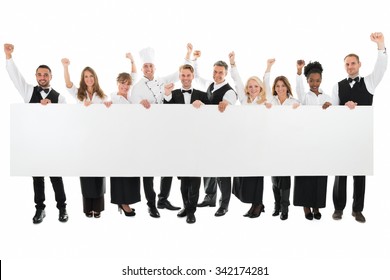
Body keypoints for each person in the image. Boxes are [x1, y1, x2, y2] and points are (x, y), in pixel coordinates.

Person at [5, 43, 69, 224]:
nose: (42, 77)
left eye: (45, 74)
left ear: (51, 77)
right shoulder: (28, 92)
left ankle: (62, 208)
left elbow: (66, 122)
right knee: (38, 178)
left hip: (53, 145)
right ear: (36, 76)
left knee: (56, 177)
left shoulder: (60, 98)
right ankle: (40, 209)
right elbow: (15, 76)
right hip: (34, 144)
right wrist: (8, 56)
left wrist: (53, 109)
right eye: (39, 74)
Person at [130, 45, 192, 217]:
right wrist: (139, 104)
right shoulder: (137, 88)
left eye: (151, 66)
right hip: (148, 133)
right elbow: (131, 110)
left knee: (168, 164)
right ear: (142, 69)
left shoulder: (161, 80)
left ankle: (163, 199)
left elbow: (178, 73)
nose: (148, 69)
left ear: (155, 68)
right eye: (145, 66)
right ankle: (151, 204)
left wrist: (187, 55)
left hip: (165, 131)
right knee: (148, 170)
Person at [331, 32, 387, 223]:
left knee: (359, 172)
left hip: (362, 137)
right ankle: (338, 208)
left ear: (359, 65)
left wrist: (381, 45)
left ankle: (358, 210)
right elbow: (333, 112)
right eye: (347, 64)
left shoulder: (369, 83)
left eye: (353, 63)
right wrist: (343, 109)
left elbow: (381, 67)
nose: (350, 66)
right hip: (342, 136)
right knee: (340, 172)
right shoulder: (337, 86)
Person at [61, 57, 110, 218]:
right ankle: (88, 209)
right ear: (83, 79)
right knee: (87, 175)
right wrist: (66, 66)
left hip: (99, 140)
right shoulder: (79, 94)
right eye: (86, 76)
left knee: (98, 175)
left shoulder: (102, 96)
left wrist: (106, 107)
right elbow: (68, 84)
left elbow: (107, 116)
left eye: (91, 76)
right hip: (83, 140)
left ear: (95, 78)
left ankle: (98, 209)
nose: (89, 79)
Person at [163, 64, 210, 223]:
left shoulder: (202, 95)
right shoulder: (173, 94)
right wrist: (167, 95)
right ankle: (186, 206)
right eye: (183, 75)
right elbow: (166, 115)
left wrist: (203, 107)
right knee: (183, 179)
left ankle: (191, 211)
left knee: (195, 179)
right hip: (179, 144)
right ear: (179, 76)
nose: (185, 78)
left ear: (193, 76)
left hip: (197, 143)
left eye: (188, 75)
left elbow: (212, 115)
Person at [192, 50, 238, 217]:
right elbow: (196, 77)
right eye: (215, 71)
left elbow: (230, 103)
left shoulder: (229, 91)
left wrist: (226, 103)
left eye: (220, 72)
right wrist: (195, 59)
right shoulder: (210, 85)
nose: (217, 75)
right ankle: (210, 197)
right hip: (208, 135)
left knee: (222, 170)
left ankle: (224, 204)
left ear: (225, 74)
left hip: (223, 137)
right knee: (208, 166)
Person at [229, 51, 270, 218]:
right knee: (246, 174)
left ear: (260, 88)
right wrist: (232, 64)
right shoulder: (244, 100)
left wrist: (268, 68)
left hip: (259, 143)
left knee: (257, 174)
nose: (253, 89)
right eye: (250, 86)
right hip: (245, 142)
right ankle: (254, 203)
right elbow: (237, 81)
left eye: (256, 86)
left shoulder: (265, 102)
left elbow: (267, 82)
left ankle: (258, 204)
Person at [293, 60, 330, 220]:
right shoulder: (304, 97)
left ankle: (316, 206)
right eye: (311, 80)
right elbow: (299, 89)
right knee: (305, 174)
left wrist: (331, 107)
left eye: (317, 80)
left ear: (321, 80)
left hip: (321, 141)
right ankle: (306, 207)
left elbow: (334, 117)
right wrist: (299, 72)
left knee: (319, 174)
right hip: (305, 141)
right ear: (307, 81)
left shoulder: (327, 97)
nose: (314, 83)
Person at [265, 59, 299, 220]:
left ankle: (285, 208)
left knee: (285, 178)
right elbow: (264, 84)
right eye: (277, 86)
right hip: (272, 144)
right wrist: (269, 68)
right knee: (274, 178)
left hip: (288, 145)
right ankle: (276, 205)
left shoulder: (295, 102)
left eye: (282, 85)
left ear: (287, 87)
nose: (280, 88)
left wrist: (297, 111)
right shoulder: (270, 101)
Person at [108, 53, 140, 217]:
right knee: (120, 171)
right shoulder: (112, 98)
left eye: (128, 84)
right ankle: (122, 202)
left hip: (132, 139)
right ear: (117, 83)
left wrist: (132, 61)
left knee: (131, 171)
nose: (125, 86)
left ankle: (128, 200)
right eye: (122, 83)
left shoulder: (133, 96)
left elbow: (134, 75)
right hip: (118, 139)